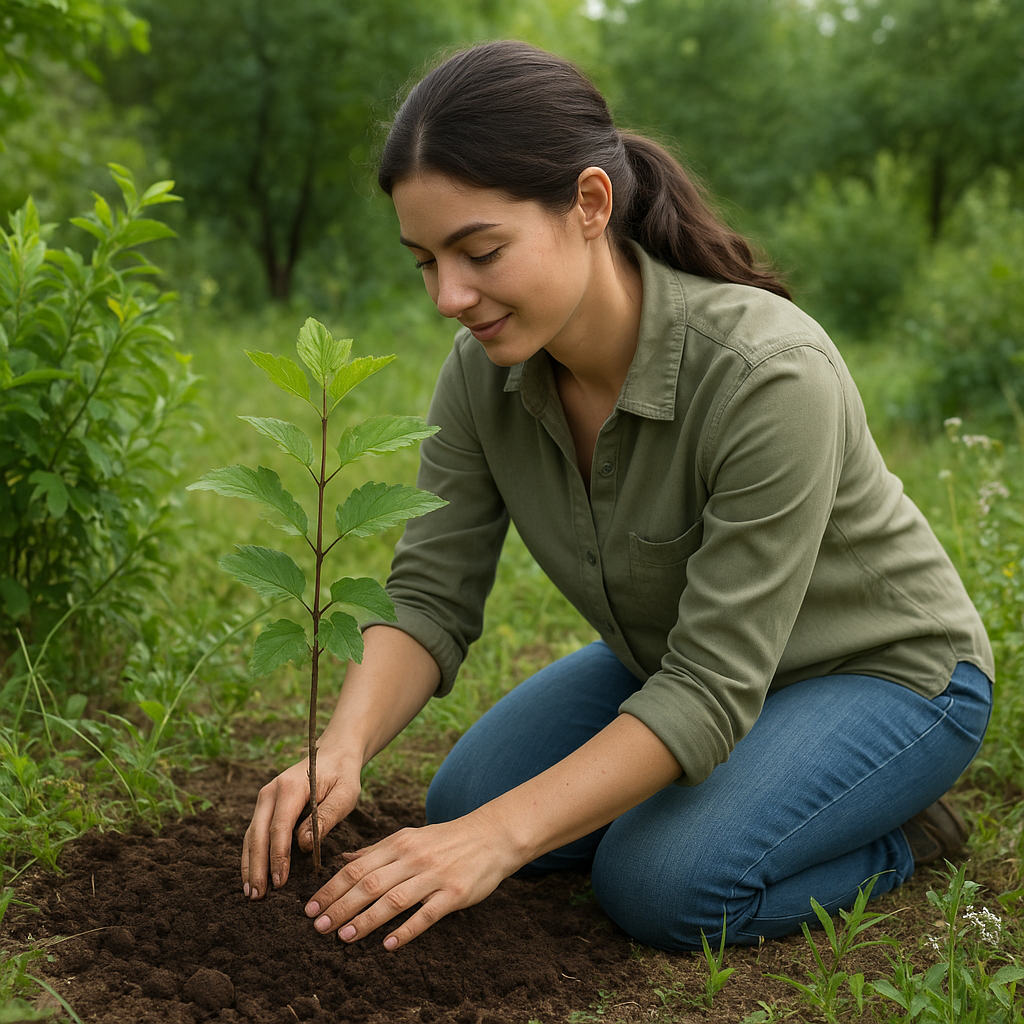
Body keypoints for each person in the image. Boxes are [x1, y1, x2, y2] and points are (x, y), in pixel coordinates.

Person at [240, 40, 994, 954]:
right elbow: (431, 594)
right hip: (678, 660)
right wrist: (342, 747)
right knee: (465, 798)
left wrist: (494, 843)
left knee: (659, 884)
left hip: (883, 676)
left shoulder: (768, 375)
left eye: (478, 250)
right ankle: (751, 796)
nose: (449, 295)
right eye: (424, 261)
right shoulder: (484, 373)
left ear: (591, 204)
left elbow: (713, 684)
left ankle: (895, 832)